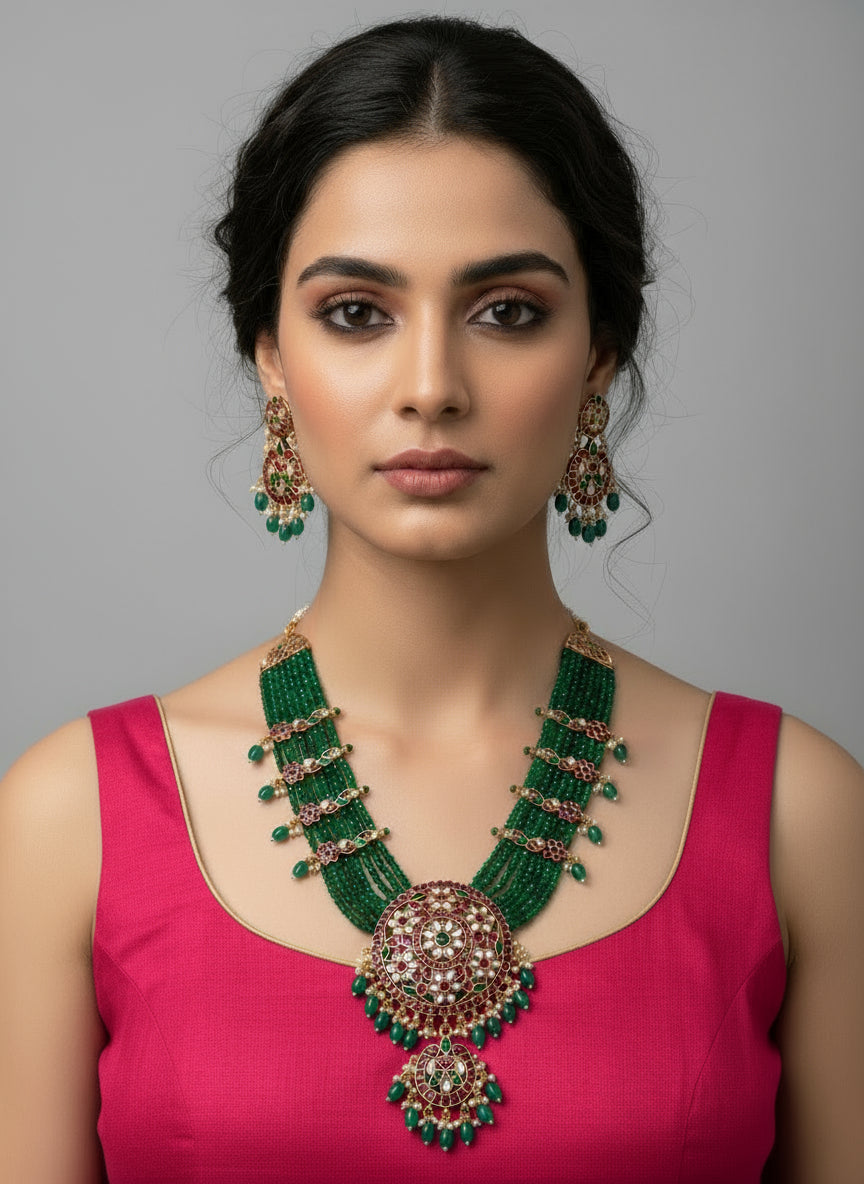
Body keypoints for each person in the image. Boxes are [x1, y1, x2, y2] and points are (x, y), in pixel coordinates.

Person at [1, 13, 862, 1184]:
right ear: (268, 351)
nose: (431, 388)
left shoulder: (800, 812)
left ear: (600, 349)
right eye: (357, 312)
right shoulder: (72, 818)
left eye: (507, 310)